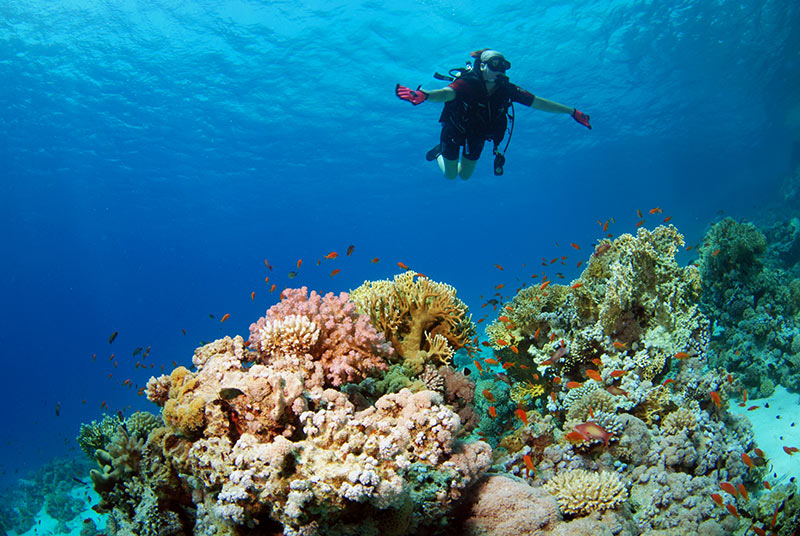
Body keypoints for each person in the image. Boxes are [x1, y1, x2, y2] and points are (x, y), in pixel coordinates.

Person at [396, 49, 592, 179]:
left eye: (503, 65)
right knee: (450, 175)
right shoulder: (466, 83)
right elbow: (447, 93)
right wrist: (425, 94)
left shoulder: (508, 90)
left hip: (479, 135)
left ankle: (446, 153)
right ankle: (439, 151)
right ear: (482, 66)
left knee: (464, 176)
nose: (500, 69)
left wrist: (571, 111)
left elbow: (539, 102)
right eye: (494, 64)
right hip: (455, 131)